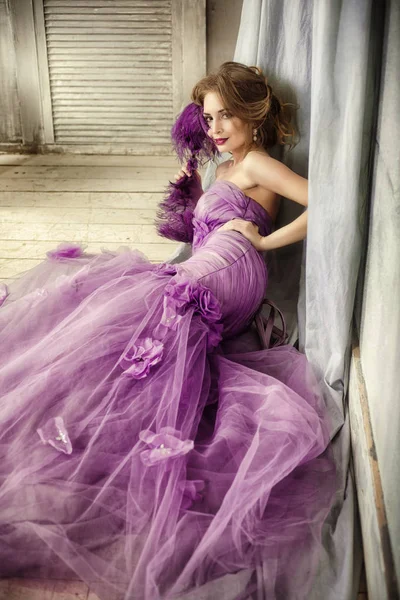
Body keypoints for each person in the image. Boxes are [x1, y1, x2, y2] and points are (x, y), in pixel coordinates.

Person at [0, 62, 336, 600]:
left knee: (135, 305)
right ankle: (79, 420)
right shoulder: (224, 167)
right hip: (211, 266)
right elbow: (200, 227)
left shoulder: (257, 162)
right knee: (109, 321)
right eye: (208, 117)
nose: (217, 127)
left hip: (229, 272)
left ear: (254, 115)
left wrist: (263, 242)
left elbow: (326, 200)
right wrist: (194, 199)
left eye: (227, 115)